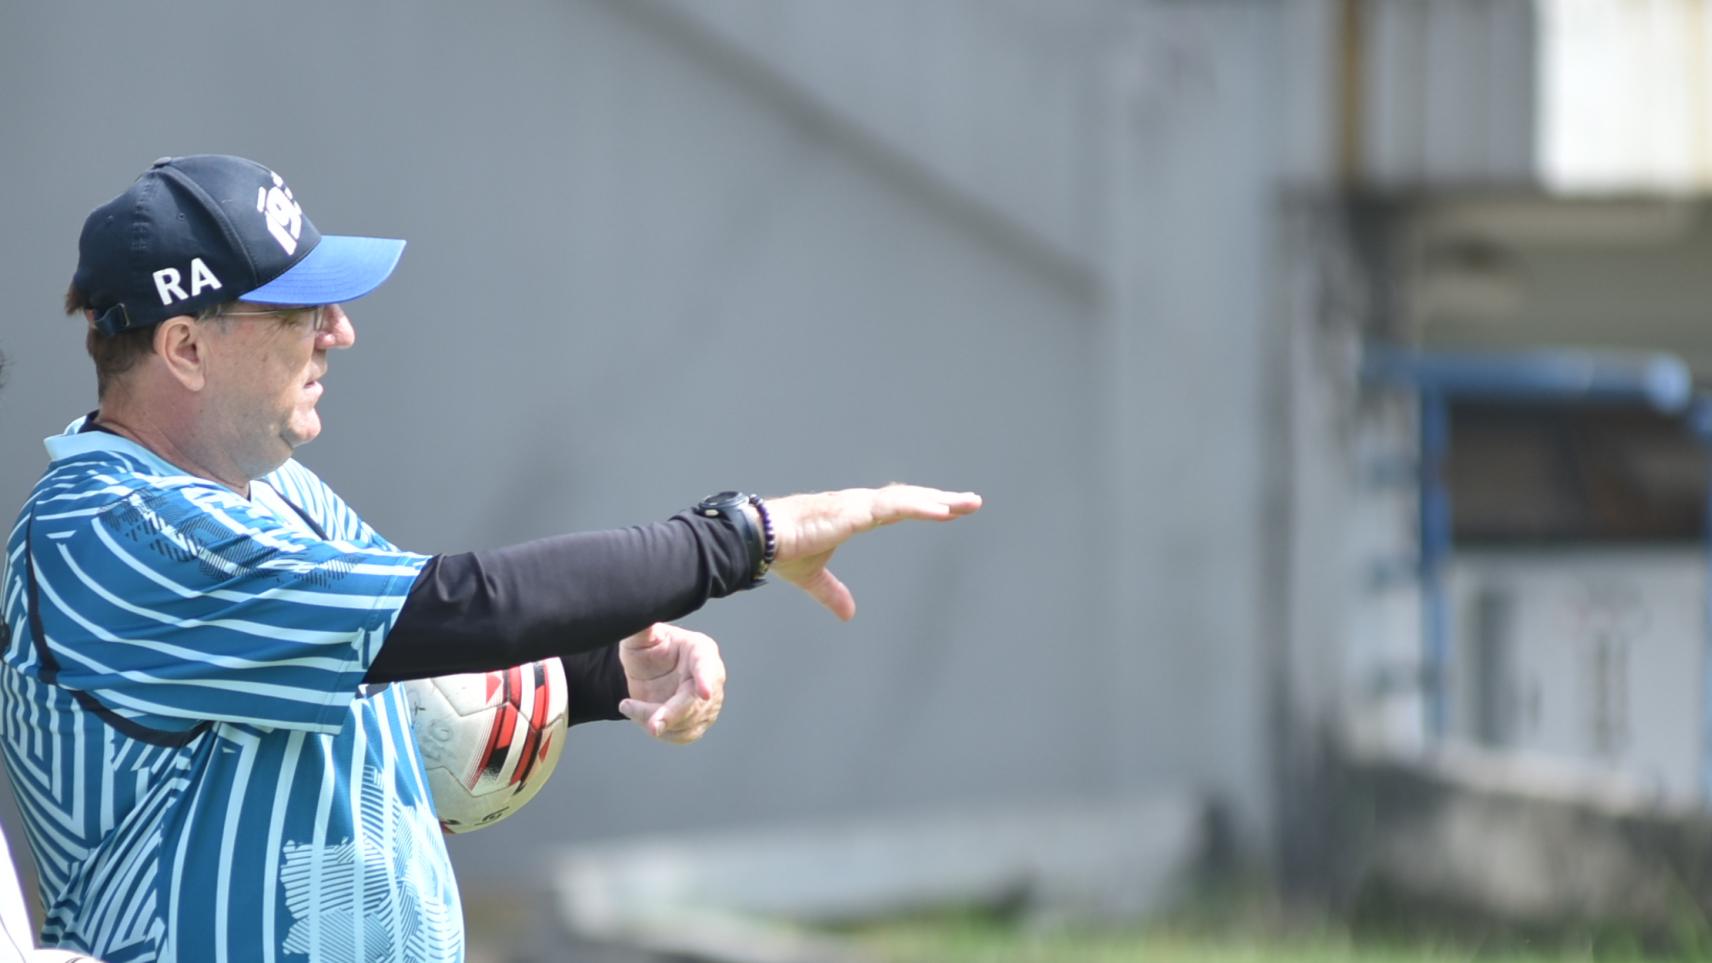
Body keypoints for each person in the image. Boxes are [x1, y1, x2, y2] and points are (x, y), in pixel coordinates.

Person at [1, 154, 981, 962]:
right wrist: (745, 538)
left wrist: (603, 671)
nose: (340, 330)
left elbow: (412, 656)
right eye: (300, 311)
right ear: (183, 346)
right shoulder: (107, 530)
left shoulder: (265, 488)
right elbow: (462, 609)